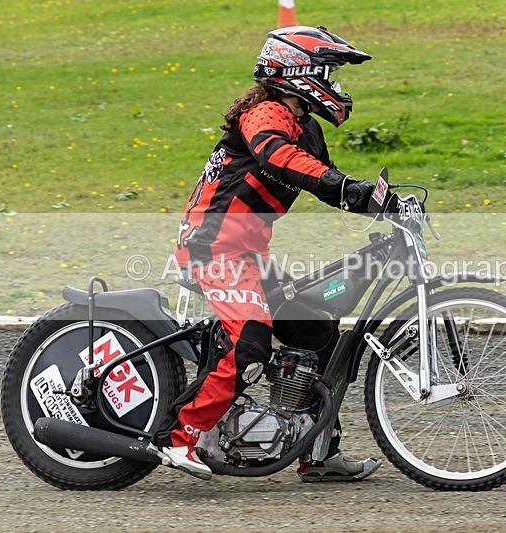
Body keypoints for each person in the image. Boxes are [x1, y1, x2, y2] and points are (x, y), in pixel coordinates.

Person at [153, 26, 381, 482]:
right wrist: (343, 186)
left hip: (247, 254)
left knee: (316, 333)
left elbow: (324, 181)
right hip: (212, 247)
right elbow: (278, 157)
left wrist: (378, 201)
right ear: (299, 73)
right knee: (250, 342)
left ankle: (317, 452)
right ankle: (178, 437)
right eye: (329, 74)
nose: (336, 86)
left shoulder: (306, 128)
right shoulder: (264, 113)